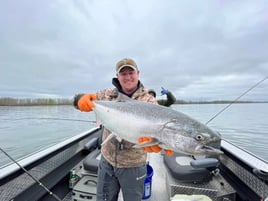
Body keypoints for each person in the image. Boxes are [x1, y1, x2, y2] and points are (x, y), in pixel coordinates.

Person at [73, 58, 173, 201]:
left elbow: (157, 127)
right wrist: (80, 100)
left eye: (131, 72)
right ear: (117, 76)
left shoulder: (149, 100)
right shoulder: (107, 95)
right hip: (107, 160)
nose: (127, 77)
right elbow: (78, 100)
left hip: (133, 165)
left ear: (138, 73)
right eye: (123, 74)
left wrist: (154, 141)